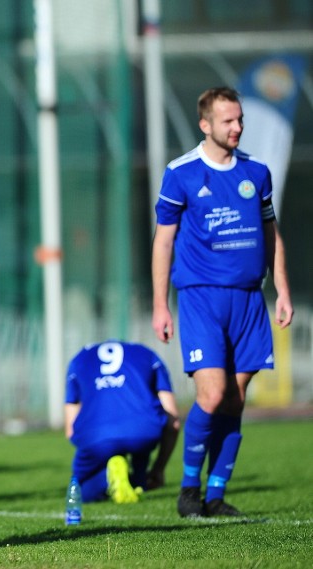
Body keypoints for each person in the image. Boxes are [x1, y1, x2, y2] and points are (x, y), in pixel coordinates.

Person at [152, 86, 293, 518]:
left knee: (235, 399)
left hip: (249, 300)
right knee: (211, 396)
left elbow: (271, 234)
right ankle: (188, 491)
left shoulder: (257, 173)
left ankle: (216, 493)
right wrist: (162, 304)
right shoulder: (182, 173)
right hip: (201, 299)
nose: (237, 128)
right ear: (205, 124)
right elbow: (163, 242)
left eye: (240, 119)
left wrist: (282, 288)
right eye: (228, 121)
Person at [64, 341, 180, 504]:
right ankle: (137, 481)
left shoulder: (79, 359)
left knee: (81, 491)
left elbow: (70, 429)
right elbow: (173, 422)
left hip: (98, 436)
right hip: (143, 431)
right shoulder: (147, 353)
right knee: (140, 446)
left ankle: (107, 476)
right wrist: (159, 468)